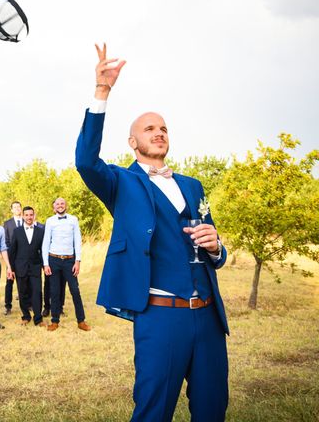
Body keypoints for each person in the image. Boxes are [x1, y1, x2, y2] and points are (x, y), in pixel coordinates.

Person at [75, 43, 229, 421]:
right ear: (133, 142)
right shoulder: (120, 182)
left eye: (163, 128)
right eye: (149, 129)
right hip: (161, 316)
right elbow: (84, 160)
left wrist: (217, 247)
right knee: (153, 411)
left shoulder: (193, 186)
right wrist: (102, 92)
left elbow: (212, 249)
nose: (158, 133)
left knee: (213, 409)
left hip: (208, 316)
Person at [42, 198, 90, 332]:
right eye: (57, 204)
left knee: (75, 290)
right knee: (55, 292)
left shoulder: (73, 220)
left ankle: (81, 321)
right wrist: (46, 264)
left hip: (69, 260)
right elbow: (46, 242)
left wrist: (78, 261)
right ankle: (54, 321)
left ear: (66, 206)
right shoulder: (50, 221)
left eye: (62, 203)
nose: (60, 205)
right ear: (54, 207)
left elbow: (77, 240)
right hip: (54, 259)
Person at [7, 206, 45, 326]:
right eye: (27, 215)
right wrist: (11, 269)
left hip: (35, 266)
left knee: (37, 292)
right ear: (23, 216)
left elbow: (43, 250)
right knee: (22, 292)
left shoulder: (40, 231)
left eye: (31, 215)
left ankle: (38, 319)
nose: (29, 217)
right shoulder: (17, 231)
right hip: (20, 267)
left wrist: (45, 265)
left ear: (34, 216)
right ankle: (26, 316)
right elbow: (12, 251)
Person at [2, 201, 23, 315]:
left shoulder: (26, 221)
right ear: (11, 210)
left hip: (24, 257)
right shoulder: (7, 223)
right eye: (14, 207)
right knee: (9, 281)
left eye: (18, 207)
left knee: (24, 281)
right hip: (12, 257)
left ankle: (27, 304)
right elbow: (5, 240)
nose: (17, 209)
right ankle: (8, 306)